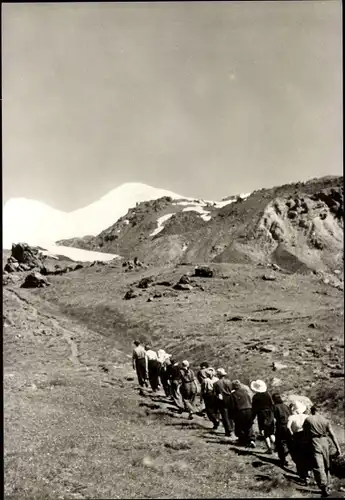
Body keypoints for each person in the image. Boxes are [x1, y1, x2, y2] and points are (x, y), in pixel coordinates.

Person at [303, 405, 341, 497]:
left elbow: (305, 433)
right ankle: (328, 484)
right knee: (327, 463)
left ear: (312, 411)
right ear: (319, 411)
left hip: (314, 441)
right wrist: (338, 448)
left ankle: (323, 486)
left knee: (318, 464)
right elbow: (332, 434)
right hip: (325, 441)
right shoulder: (325, 420)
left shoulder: (308, 420)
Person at [287, 401, 311, 484]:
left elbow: (288, 427)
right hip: (306, 437)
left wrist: (292, 434)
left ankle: (303, 475)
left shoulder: (292, 417)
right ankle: (308, 473)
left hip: (297, 436)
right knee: (307, 455)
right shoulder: (307, 417)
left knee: (299, 457)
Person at [251, 380, 275, 454]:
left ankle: (269, 448)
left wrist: (252, 418)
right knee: (271, 432)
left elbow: (254, 409)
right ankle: (277, 445)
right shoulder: (268, 395)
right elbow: (272, 405)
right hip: (270, 414)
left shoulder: (255, 397)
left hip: (261, 414)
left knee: (263, 431)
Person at [231, 380, 255, 447]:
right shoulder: (245, 392)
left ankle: (242, 440)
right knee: (249, 425)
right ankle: (251, 439)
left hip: (240, 411)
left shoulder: (233, 394)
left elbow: (233, 405)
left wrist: (232, 415)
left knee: (239, 425)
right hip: (249, 409)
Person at [213, 368, 235, 437]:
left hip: (222, 400)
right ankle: (232, 428)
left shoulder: (216, 383)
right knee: (230, 415)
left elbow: (215, 394)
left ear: (218, 375)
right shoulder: (229, 382)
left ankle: (228, 431)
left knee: (224, 416)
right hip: (230, 399)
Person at [272, 393, 292, 467]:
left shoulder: (274, 407)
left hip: (280, 426)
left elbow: (272, 418)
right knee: (289, 442)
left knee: (279, 443)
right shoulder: (286, 406)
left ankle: (283, 460)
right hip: (289, 425)